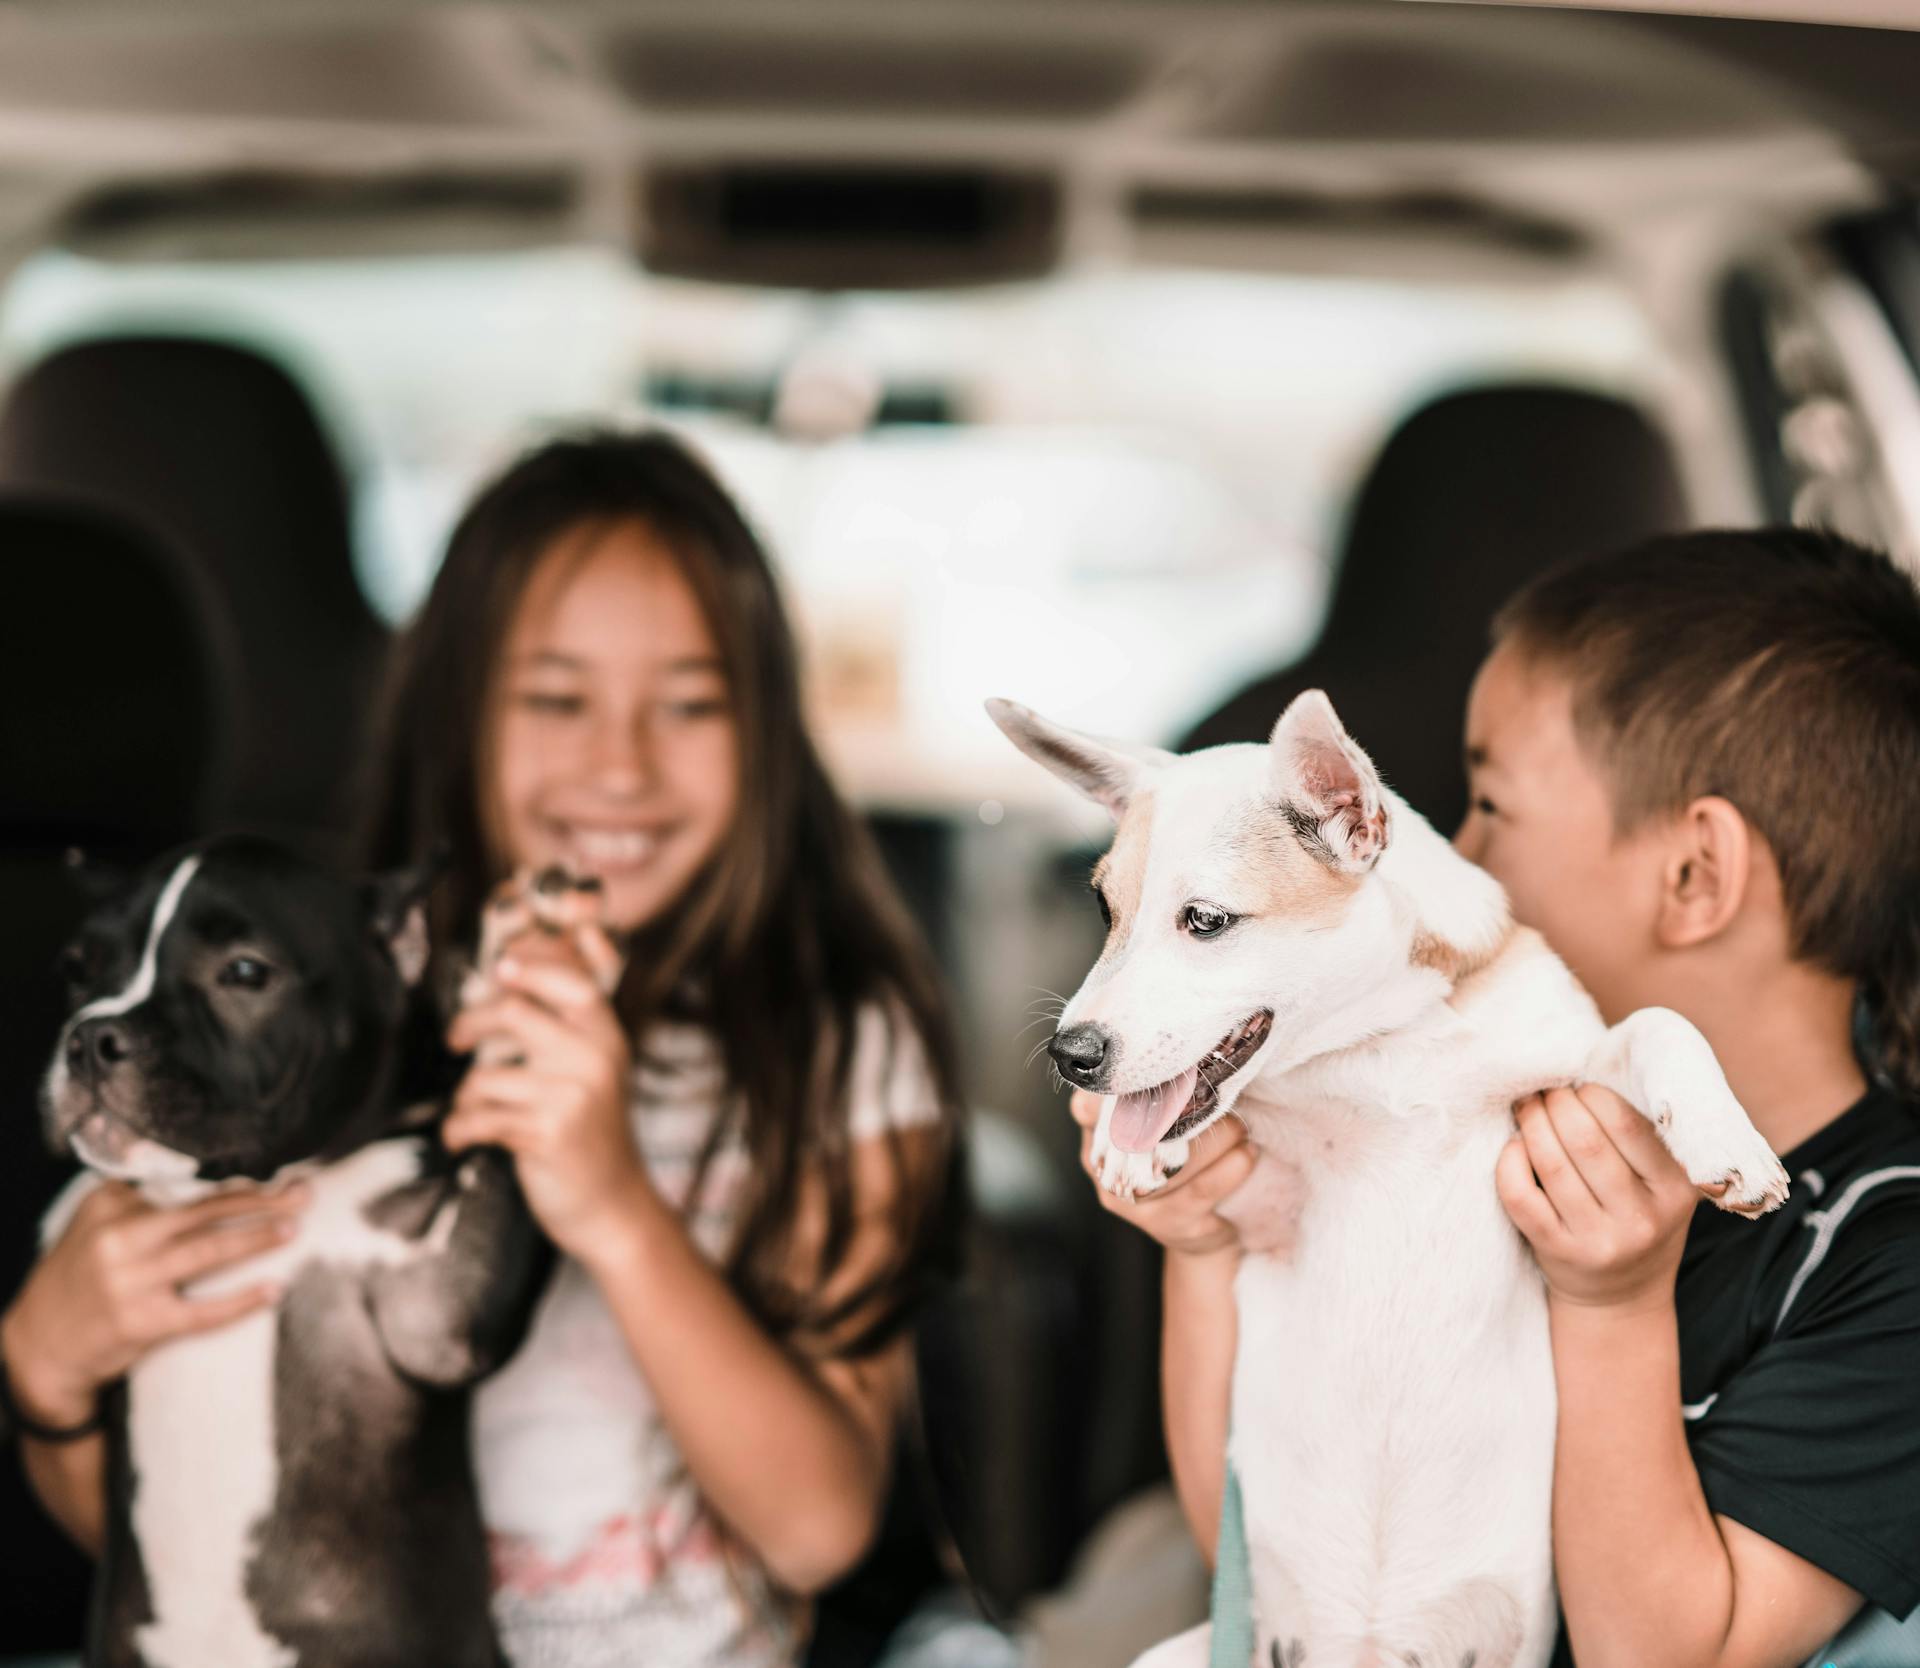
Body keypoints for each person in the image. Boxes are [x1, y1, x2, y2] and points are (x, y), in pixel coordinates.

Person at [1, 429, 966, 1667]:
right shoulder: (312, 1038)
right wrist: (50, 1377)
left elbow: (823, 1530)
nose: (620, 765)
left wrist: (613, 1202)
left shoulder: (834, 1044)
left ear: (769, 731)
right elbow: (164, 1545)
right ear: (458, 715)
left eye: (691, 704)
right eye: (557, 700)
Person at [1074, 526, 1920, 1667]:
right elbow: (1250, 1551)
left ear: (1694, 877)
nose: (1446, 851)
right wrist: (1207, 1242)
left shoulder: (1886, 1257)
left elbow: (1679, 1659)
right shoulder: (1428, 1108)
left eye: (1488, 806)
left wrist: (1612, 1306)